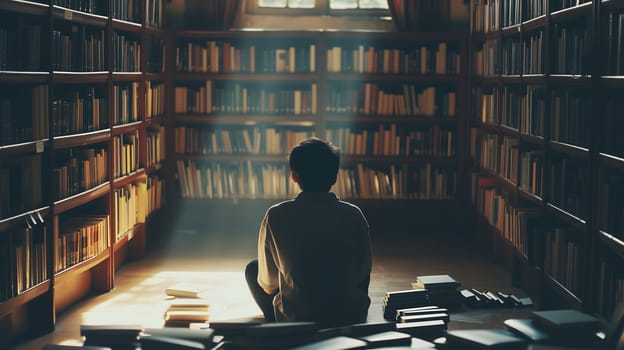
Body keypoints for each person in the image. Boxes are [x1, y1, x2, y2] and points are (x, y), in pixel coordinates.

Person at [244, 137, 372, 327]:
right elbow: (363, 274)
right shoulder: (353, 214)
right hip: (348, 318)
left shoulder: (277, 214)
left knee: (253, 268)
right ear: (335, 176)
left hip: (297, 321)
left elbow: (269, 285)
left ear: (294, 176)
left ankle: (279, 327)